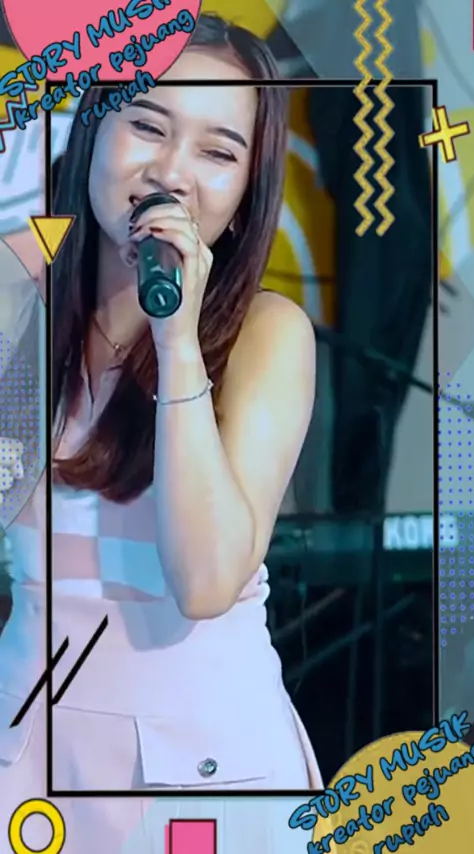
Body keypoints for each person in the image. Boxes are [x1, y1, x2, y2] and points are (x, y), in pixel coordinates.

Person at [0, 14, 321, 853]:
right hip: (28, 759)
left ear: (247, 189)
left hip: (204, 777)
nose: (172, 172)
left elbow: (206, 580)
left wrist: (177, 343)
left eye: (217, 151)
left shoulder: (266, 335)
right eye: (148, 125)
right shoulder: (19, 303)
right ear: (93, 129)